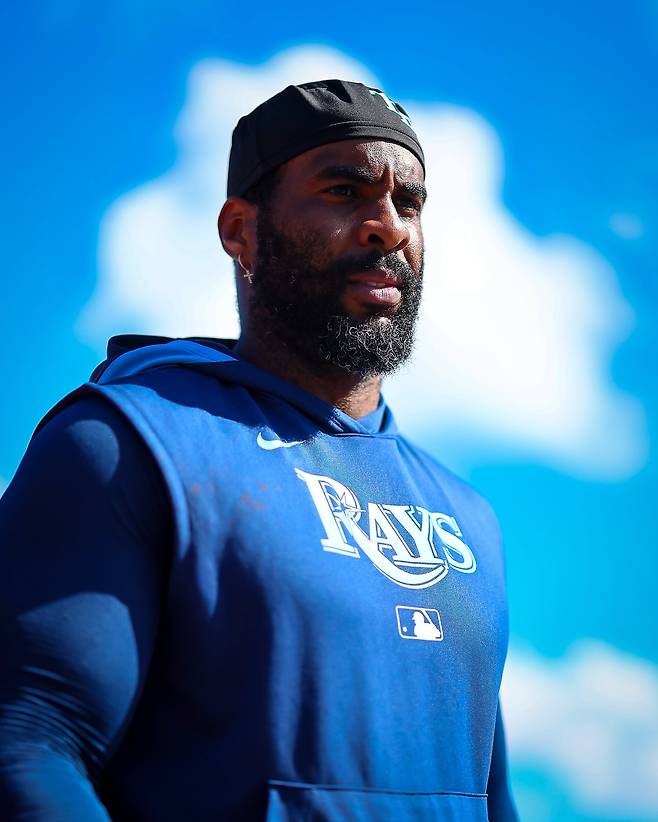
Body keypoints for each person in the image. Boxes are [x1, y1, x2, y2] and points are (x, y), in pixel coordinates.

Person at [0, 80, 518, 820]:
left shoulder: (469, 520)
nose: (387, 227)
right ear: (240, 231)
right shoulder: (126, 443)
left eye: (409, 202)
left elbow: (490, 799)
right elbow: (28, 743)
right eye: (344, 191)